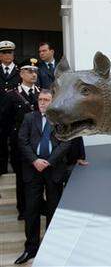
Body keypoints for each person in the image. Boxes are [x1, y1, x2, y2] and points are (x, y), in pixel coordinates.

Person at [15, 89, 71, 264]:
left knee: (53, 210)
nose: (43, 102)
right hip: (33, 171)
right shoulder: (29, 118)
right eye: (40, 99)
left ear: (53, 101)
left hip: (53, 170)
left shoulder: (61, 119)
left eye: (46, 99)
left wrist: (49, 161)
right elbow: (22, 140)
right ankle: (31, 249)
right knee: (31, 210)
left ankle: (51, 246)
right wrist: (35, 161)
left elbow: (66, 142)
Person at [1, 58, 40, 220]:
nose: (33, 74)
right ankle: (23, 209)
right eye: (29, 71)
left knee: (38, 178)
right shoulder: (12, 95)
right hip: (19, 144)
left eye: (35, 71)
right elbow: (4, 120)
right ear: (22, 74)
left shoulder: (42, 94)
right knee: (22, 178)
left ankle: (37, 207)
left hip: (38, 143)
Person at [0, 40, 20, 175]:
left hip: (15, 113)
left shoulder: (21, 71)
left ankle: (16, 167)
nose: (7, 55)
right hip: (0, 114)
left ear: (13, 54)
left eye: (10, 52)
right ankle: (1, 168)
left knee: (16, 142)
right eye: (4, 52)